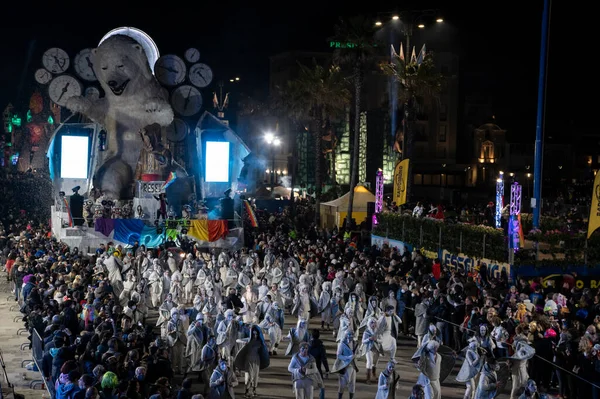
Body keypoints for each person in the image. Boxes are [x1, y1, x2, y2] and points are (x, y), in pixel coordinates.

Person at [234, 325, 270, 398]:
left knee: (256, 376)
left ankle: (254, 391)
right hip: (249, 359)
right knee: (249, 376)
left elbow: (265, 349)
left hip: (256, 359)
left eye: (256, 334)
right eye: (253, 334)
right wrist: (244, 343)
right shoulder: (248, 340)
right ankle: (246, 392)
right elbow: (237, 340)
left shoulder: (260, 342)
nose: (255, 335)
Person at [332, 331, 358, 399]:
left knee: (352, 385)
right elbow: (339, 355)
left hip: (353, 366)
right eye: (349, 336)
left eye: (352, 336)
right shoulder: (342, 344)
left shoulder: (355, 344)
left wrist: (357, 355)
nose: (350, 337)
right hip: (344, 367)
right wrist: (348, 357)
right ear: (346, 336)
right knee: (342, 385)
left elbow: (358, 353)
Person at [308, 329, 329, 399]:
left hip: (308, 369)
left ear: (311, 336)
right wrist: (327, 370)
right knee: (322, 386)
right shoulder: (321, 346)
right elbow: (324, 359)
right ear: (319, 336)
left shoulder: (307, 346)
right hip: (317, 369)